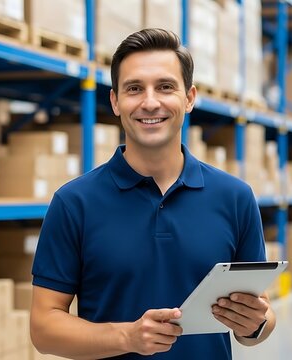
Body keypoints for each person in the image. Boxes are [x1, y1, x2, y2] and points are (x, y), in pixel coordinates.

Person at [29, 28, 276, 359]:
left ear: (189, 98)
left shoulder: (235, 197)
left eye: (165, 87)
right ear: (115, 101)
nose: (149, 102)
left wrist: (255, 324)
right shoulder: (74, 203)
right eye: (134, 89)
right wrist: (126, 337)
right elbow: (44, 329)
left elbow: (261, 316)